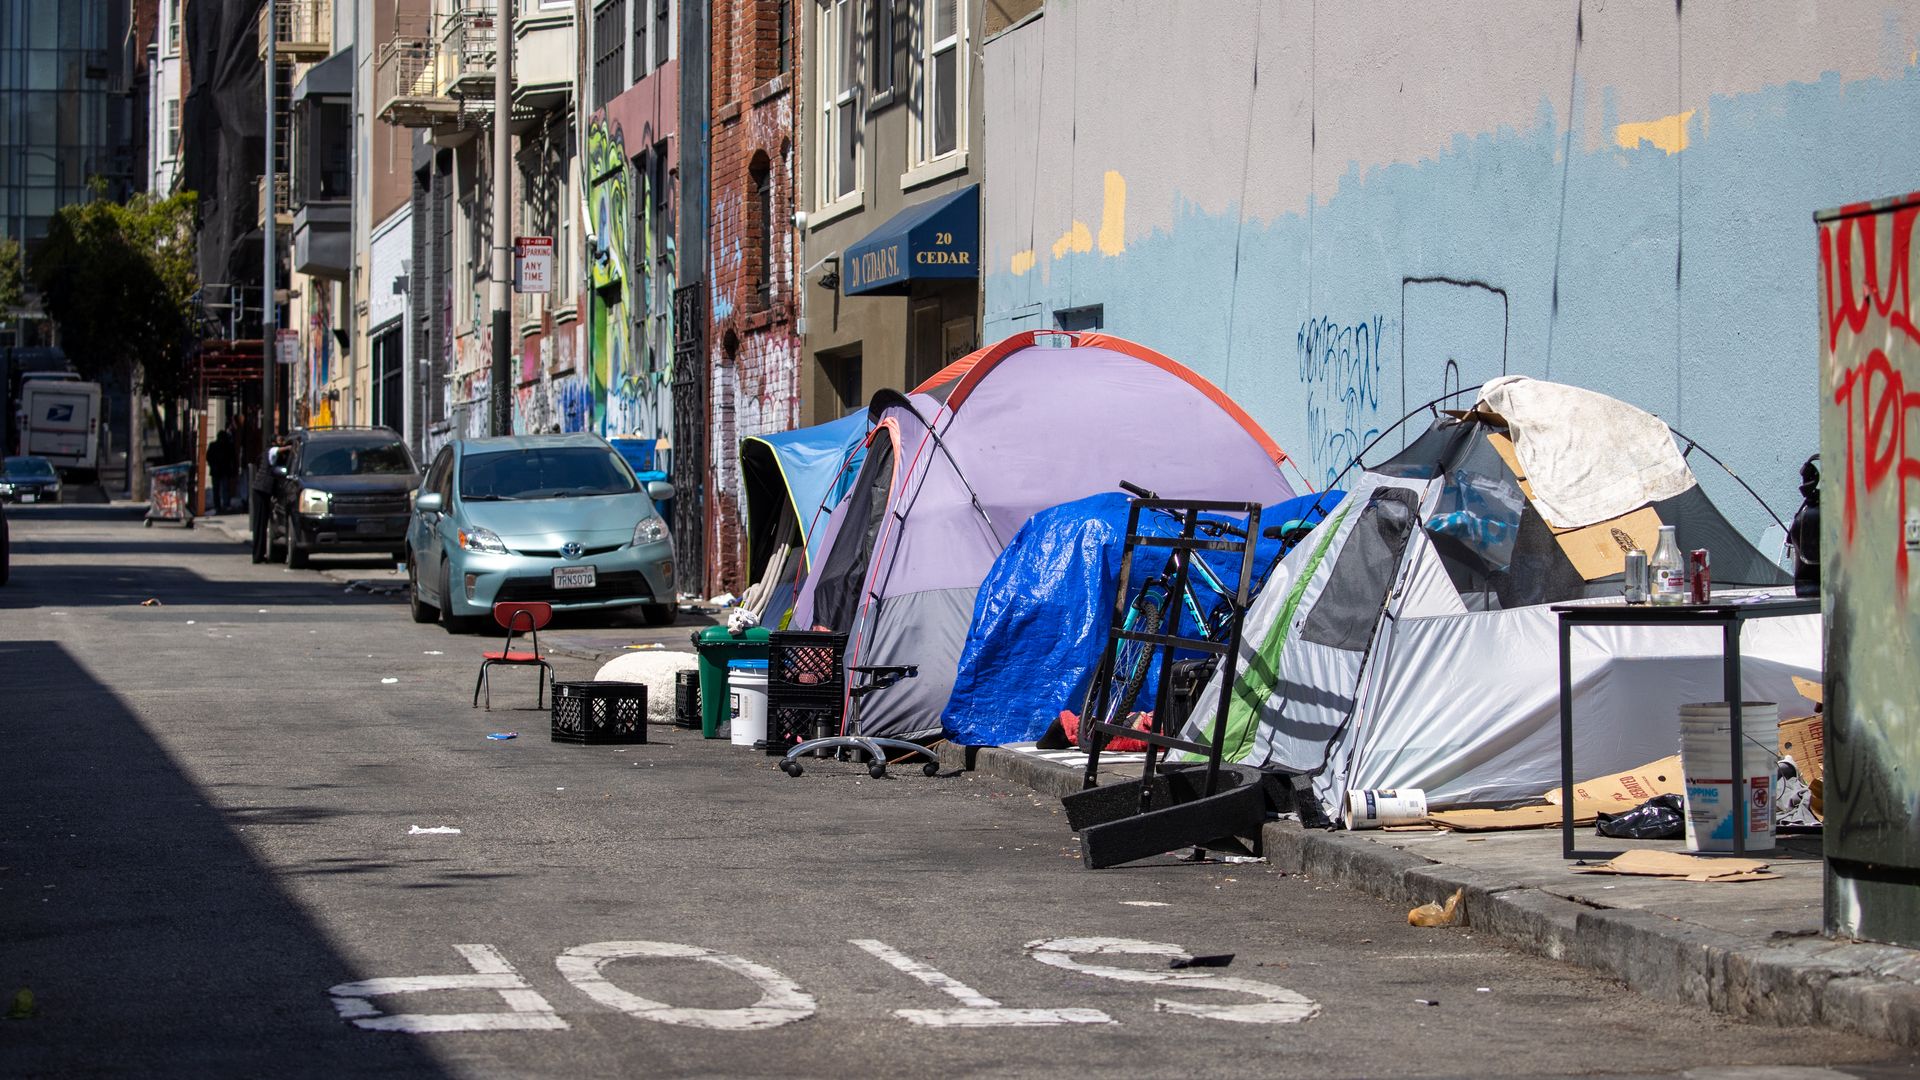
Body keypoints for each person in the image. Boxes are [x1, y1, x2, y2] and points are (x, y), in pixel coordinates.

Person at [207, 428, 236, 514]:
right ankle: (223, 505)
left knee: (219, 489)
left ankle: (220, 506)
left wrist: (212, 465)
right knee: (223, 489)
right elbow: (233, 458)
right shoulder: (227, 446)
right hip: (222, 470)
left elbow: (208, 457)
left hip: (219, 470)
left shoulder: (215, 445)